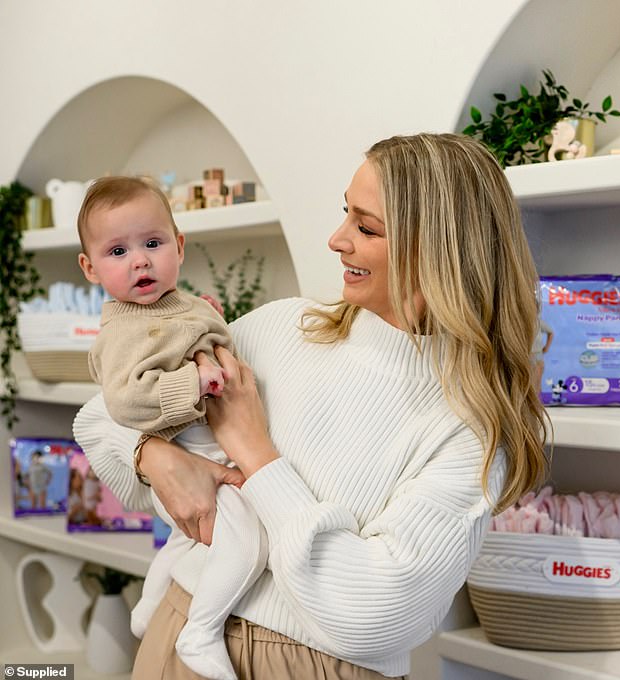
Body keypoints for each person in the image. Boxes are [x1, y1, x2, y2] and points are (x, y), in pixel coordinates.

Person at [73, 133, 550, 680]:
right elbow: (100, 414)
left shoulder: (470, 427)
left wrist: (257, 455)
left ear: (437, 249)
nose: (336, 239)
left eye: (366, 227)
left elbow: (372, 615)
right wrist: (154, 457)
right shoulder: (283, 327)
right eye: (346, 213)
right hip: (177, 640)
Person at [76, 176, 267, 680]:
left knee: (190, 543)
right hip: (186, 456)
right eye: (117, 250)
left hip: (212, 448)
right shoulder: (122, 331)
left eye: (153, 244)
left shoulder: (176, 305)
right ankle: (201, 630)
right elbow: (123, 399)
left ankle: (150, 603)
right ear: (90, 268)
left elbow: (200, 335)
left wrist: (212, 323)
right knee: (248, 543)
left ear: (178, 247)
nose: (139, 260)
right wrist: (192, 381)